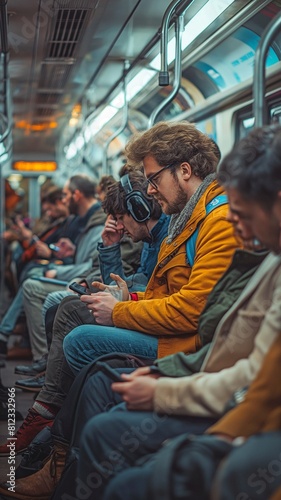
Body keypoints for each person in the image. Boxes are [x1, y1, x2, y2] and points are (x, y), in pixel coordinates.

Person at [0, 170, 169, 452]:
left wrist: (122, 304)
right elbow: (124, 285)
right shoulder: (152, 240)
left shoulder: (167, 238)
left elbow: (147, 293)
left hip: (166, 335)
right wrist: (111, 248)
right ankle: (49, 410)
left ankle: (51, 416)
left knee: (73, 326)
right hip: (146, 311)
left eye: (120, 218)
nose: (121, 227)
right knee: (68, 306)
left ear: (138, 210)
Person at [63, 121, 240, 374]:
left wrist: (119, 312)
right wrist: (131, 298)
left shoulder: (218, 222)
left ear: (185, 171)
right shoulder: (185, 219)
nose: (149, 190)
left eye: (154, 179)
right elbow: (172, 294)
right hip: (181, 335)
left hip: (193, 346)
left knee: (80, 342)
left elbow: (193, 310)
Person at [14, 174, 106, 368]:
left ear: (77, 195)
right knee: (31, 277)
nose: (63, 200)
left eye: (65, 195)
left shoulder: (98, 224)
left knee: (34, 285)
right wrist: (70, 254)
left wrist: (59, 269)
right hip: (81, 276)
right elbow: (88, 259)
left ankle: (44, 360)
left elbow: (95, 266)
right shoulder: (84, 222)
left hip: (85, 280)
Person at [0, 185, 79, 358]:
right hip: (60, 266)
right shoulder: (61, 223)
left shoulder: (76, 224)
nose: (48, 213)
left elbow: (79, 261)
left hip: (67, 271)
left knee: (32, 281)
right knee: (29, 273)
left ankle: (40, 355)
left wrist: (51, 255)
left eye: (66, 196)